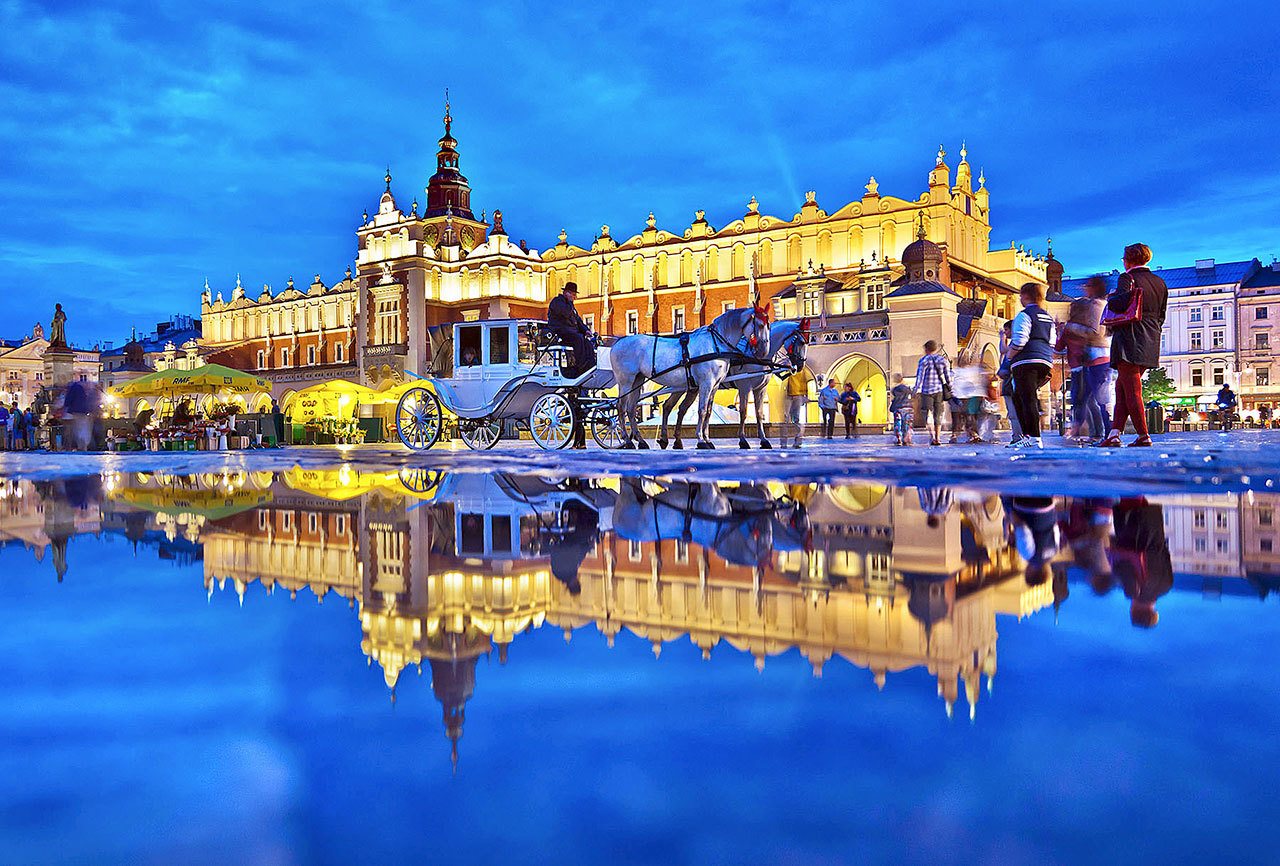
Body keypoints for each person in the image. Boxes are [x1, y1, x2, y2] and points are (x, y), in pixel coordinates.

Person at [1097, 243, 1168, 448]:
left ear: (1128, 259)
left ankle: (1143, 435)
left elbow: (1118, 304)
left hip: (1129, 338)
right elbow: (1161, 315)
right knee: (1122, 389)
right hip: (1151, 339)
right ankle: (1114, 434)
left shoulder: (1127, 278)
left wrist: (1112, 297)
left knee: (1133, 391)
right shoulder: (1159, 282)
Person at [1056, 276, 1110, 442]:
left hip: (1097, 355)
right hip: (1093, 357)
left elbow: (1095, 332)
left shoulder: (1096, 305)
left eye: (1087, 286)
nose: (1084, 288)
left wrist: (1070, 327)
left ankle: (1107, 433)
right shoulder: (1097, 304)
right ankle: (1085, 430)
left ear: (1094, 288)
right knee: (1087, 396)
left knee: (1097, 398)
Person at [1005, 282, 1057, 449]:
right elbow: (1052, 341)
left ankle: (1033, 437)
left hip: (1025, 361)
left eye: (1021, 296)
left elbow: (1020, 340)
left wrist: (1009, 356)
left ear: (1025, 296)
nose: (1020, 299)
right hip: (1044, 360)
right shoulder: (1047, 316)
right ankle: (1028, 436)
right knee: (1022, 397)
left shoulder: (1024, 314)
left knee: (1026, 399)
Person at [546, 281, 596, 377]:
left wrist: (586, 330)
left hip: (571, 332)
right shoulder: (557, 302)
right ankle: (581, 365)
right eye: (573, 295)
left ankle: (591, 364)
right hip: (560, 331)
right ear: (566, 293)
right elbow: (566, 313)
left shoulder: (571, 306)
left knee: (587, 342)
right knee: (578, 339)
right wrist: (569, 302)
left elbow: (578, 320)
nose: (574, 297)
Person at [912, 340, 952, 446]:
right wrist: (950, 386)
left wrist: (916, 389)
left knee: (927, 414)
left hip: (926, 391)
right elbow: (947, 375)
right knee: (938, 415)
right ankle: (938, 438)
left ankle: (932, 436)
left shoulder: (923, 360)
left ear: (926, 349)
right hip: (939, 391)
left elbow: (920, 376)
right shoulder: (942, 360)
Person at [998, 321, 1022, 444]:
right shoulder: (1018, 342)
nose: (1006, 333)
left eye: (1006, 330)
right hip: (1011, 380)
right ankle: (1018, 436)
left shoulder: (1016, 343)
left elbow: (1003, 350)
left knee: (1013, 412)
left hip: (1011, 380)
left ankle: (1018, 437)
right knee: (1014, 411)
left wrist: (1001, 338)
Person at [783, 365, 814, 448]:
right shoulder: (787, 366)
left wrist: (805, 395)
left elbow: (808, 379)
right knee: (785, 418)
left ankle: (798, 439)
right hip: (788, 395)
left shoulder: (803, 368)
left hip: (797, 395)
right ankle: (784, 441)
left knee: (796, 418)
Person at [889, 373, 913, 445]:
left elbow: (893, 398)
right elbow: (912, 394)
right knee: (907, 424)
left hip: (898, 407)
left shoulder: (894, 389)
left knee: (898, 424)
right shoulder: (907, 388)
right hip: (908, 407)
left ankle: (898, 438)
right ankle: (907, 438)